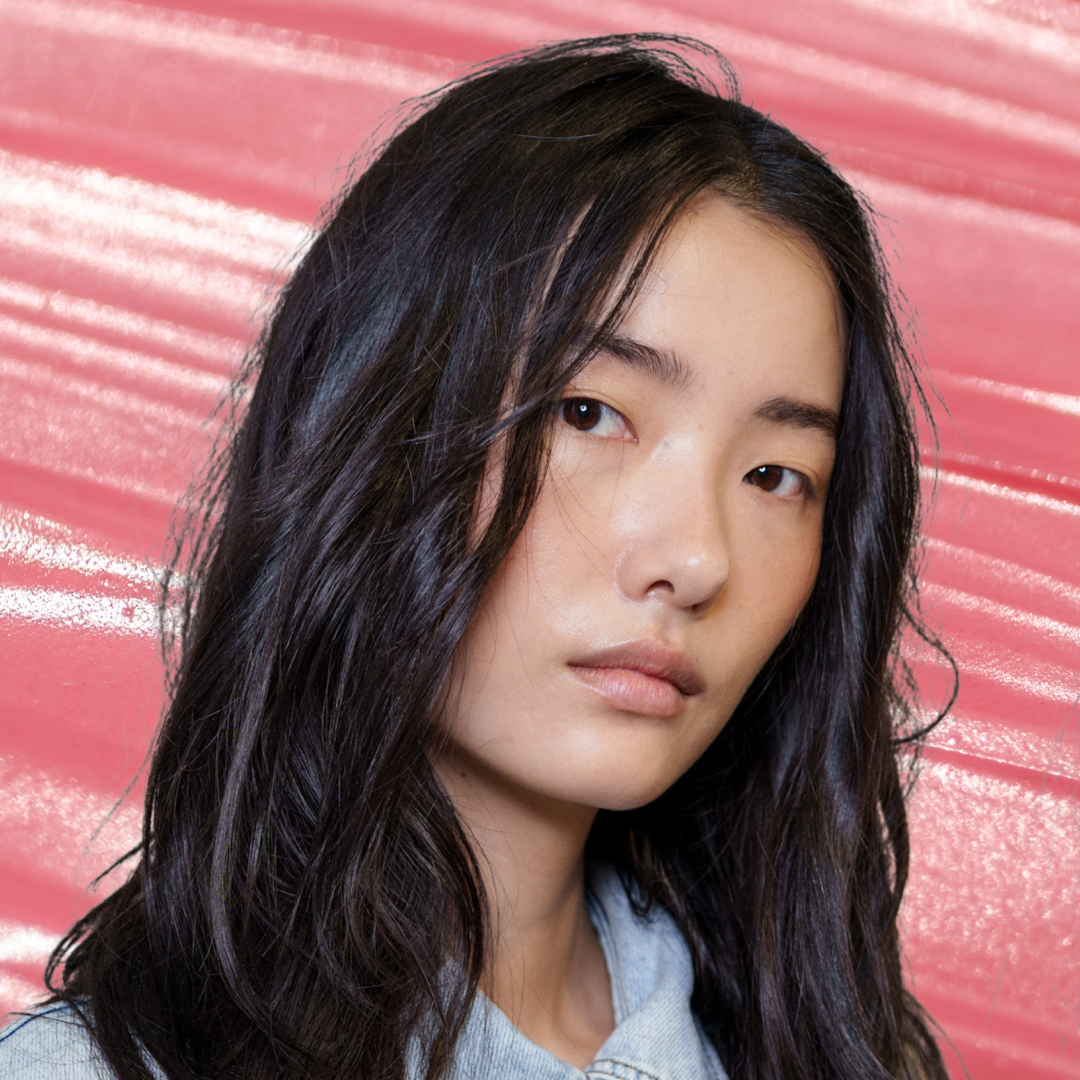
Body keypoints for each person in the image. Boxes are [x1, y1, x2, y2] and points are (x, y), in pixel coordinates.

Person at [0, 34, 951, 1080]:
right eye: (589, 413)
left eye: (776, 476)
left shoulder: (855, 1054)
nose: (693, 557)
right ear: (374, 432)